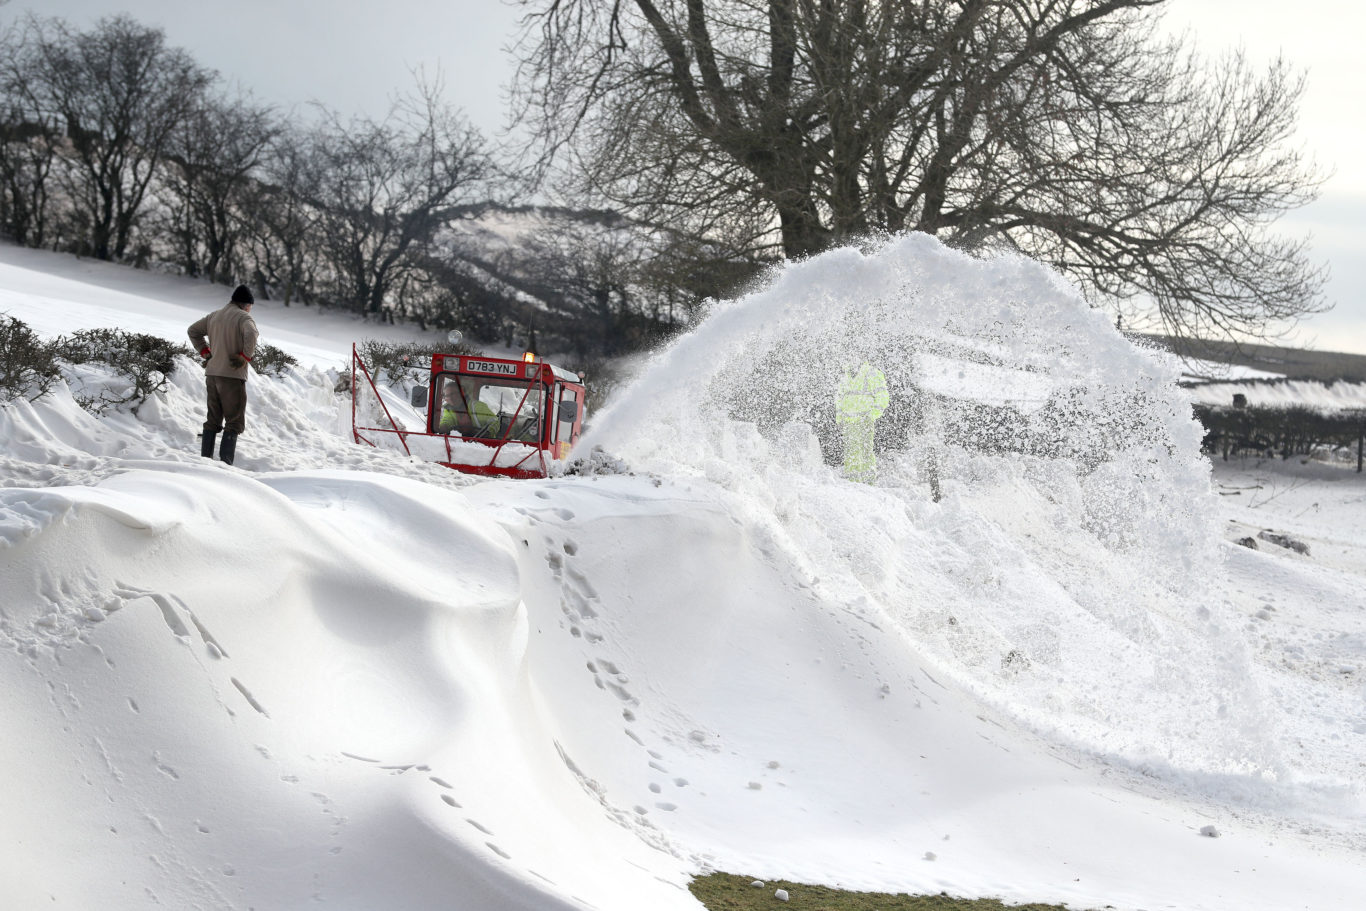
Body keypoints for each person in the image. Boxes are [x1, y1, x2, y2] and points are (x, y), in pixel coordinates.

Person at [187, 284, 259, 465]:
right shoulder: (244, 317)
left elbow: (193, 331)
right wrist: (245, 356)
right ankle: (225, 466)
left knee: (213, 419)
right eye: (251, 306)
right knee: (234, 422)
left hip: (212, 374)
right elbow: (251, 333)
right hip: (232, 376)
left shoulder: (214, 316)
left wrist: (205, 352)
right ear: (247, 304)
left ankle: (206, 461)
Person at [836, 361, 889, 484]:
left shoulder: (871, 373)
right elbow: (839, 397)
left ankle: (868, 481)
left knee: (865, 451)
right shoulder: (845, 374)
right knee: (850, 452)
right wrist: (840, 418)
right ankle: (852, 481)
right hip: (848, 421)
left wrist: (872, 415)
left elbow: (883, 396)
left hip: (864, 420)